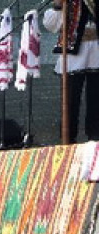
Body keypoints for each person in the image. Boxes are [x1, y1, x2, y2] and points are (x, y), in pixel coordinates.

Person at [44, 1, 99, 141]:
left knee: (96, 99)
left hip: (97, 51)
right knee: (70, 100)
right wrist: (58, 6)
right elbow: (51, 26)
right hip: (73, 52)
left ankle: (95, 140)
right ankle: (68, 140)